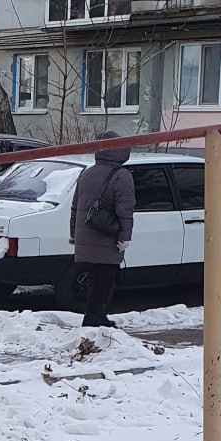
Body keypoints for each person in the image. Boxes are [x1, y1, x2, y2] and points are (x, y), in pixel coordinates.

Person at [69, 133, 136, 328]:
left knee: (95, 281)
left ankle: (95, 318)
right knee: (105, 281)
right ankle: (94, 320)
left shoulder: (87, 173)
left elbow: (75, 206)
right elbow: (125, 210)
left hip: (86, 234)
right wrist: (125, 237)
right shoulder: (121, 176)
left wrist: (74, 233)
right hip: (107, 238)